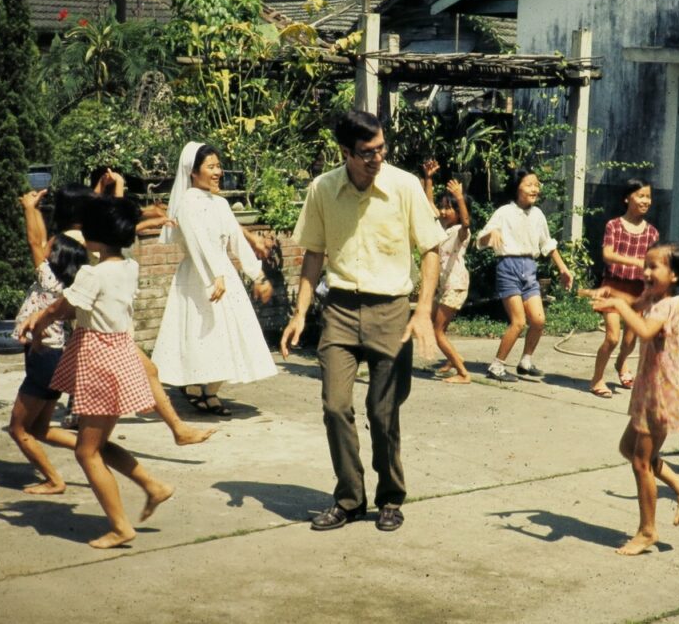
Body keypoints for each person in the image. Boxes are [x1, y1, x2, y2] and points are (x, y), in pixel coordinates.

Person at [280, 111, 445, 533]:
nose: (376, 159)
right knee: (335, 406)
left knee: (383, 410)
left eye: (381, 150)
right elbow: (313, 254)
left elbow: (430, 249)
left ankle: (390, 498)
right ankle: (350, 499)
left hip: (390, 311)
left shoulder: (405, 186)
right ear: (346, 153)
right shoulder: (322, 189)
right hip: (338, 308)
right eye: (367, 153)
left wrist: (423, 310)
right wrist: (300, 313)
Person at [22, 196, 174, 549]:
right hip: (118, 354)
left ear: (96, 237)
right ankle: (153, 486)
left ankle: (121, 527)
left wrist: (39, 320)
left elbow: (65, 306)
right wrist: (43, 318)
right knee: (98, 444)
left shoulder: (93, 273)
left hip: (99, 360)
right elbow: (81, 306)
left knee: (86, 452)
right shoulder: (127, 267)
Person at [41, 182, 213, 445]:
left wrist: (142, 216)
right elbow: (115, 231)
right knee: (133, 379)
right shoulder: (76, 238)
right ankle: (174, 430)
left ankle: (177, 429)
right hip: (99, 329)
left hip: (105, 326)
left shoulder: (83, 237)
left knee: (147, 372)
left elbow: (115, 229)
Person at [151, 143, 276, 416]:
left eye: (218, 166)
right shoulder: (187, 203)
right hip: (198, 275)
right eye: (211, 167)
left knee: (228, 332)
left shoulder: (220, 203)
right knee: (202, 331)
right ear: (193, 172)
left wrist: (257, 274)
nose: (217, 171)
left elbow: (236, 241)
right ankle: (194, 387)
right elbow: (197, 244)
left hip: (222, 272)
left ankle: (210, 391)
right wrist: (212, 277)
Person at [591, 243, 679, 555]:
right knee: (629, 449)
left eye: (655, 267)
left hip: (661, 393)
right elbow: (635, 303)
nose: (647, 272)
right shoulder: (654, 297)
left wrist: (622, 308)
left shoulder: (669, 305)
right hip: (648, 386)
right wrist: (612, 296)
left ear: (675, 275)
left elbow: (643, 328)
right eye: (646, 266)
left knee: (641, 461)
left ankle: (647, 531)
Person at [7, 191, 88, 495]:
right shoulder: (69, 281)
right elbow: (40, 243)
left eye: (51, 247)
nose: (47, 246)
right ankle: (94, 450)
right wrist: (34, 208)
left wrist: (29, 208)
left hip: (44, 359)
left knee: (19, 429)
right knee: (40, 429)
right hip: (55, 357)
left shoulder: (48, 281)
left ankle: (54, 479)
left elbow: (34, 243)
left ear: (54, 258)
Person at [477, 169, 573, 382]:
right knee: (518, 321)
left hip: (529, 269)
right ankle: (496, 366)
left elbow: (548, 245)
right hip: (508, 267)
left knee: (538, 320)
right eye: (529, 184)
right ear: (517, 187)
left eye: (537, 185)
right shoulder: (503, 212)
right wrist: (490, 235)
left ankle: (525, 362)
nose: (534, 188)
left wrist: (564, 269)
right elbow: (480, 241)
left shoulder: (538, 214)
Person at [589, 179, 659, 398]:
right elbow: (607, 255)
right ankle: (597, 380)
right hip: (613, 286)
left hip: (638, 291)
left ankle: (621, 363)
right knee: (612, 337)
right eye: (640, 196)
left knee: (630, 340)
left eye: (648, 196)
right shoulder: (614, 225)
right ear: (627, 198)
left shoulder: (652, 233)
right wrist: (636, 262)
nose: (645, 201)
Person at [420, 159, 472, 384]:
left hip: (456, 285)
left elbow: (468, 222)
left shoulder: (461, 231)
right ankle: (453, 359)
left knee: (437, 331)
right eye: (444, 207)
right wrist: (429, 178)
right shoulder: (441, 228)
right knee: (436, 326)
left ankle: (463, 372)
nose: (443, 211)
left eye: (448, 208)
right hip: (445, 285)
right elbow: (429, 204)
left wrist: (459, 197)